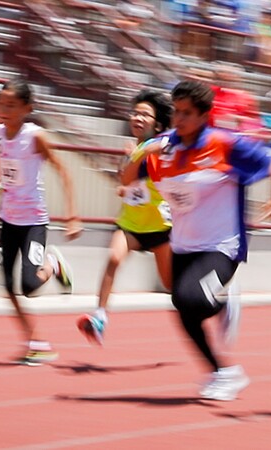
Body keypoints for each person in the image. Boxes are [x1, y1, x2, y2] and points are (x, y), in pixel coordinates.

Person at [120, 80, 271, 401]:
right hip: (183, 242)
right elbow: (127, 179)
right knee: (182, 307)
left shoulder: (222, 143)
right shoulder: (163, 147)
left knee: (192, 299)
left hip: (222, 245)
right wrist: (143, 150)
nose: (179, 120)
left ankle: (225, 299)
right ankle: (222, 372)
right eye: (176, 113)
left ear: (203, 117)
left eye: (187, 114)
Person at [0, 79, 81, 366]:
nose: (4, 110)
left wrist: (72, 214)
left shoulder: (36, 137)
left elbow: (63, 172)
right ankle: (35, 342)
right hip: (8, 219)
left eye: (11, 105)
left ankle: (52, 265)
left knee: (29, 285)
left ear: (27, 108)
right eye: (1, 104)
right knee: (7, 286)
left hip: (33, 222)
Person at [78, 90, 175, 346]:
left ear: (158, 123)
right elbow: (128, 183)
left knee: (170, 285)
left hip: (160, 227)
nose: (138, 118)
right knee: (113, 259)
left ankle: (216, 303)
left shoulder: (161, 144)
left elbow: (153, 176)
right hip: (131, 223)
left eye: (145, 114)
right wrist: (127, 181)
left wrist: (139, 158)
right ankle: (100, 317)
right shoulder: (135, 148)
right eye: (135, 113)